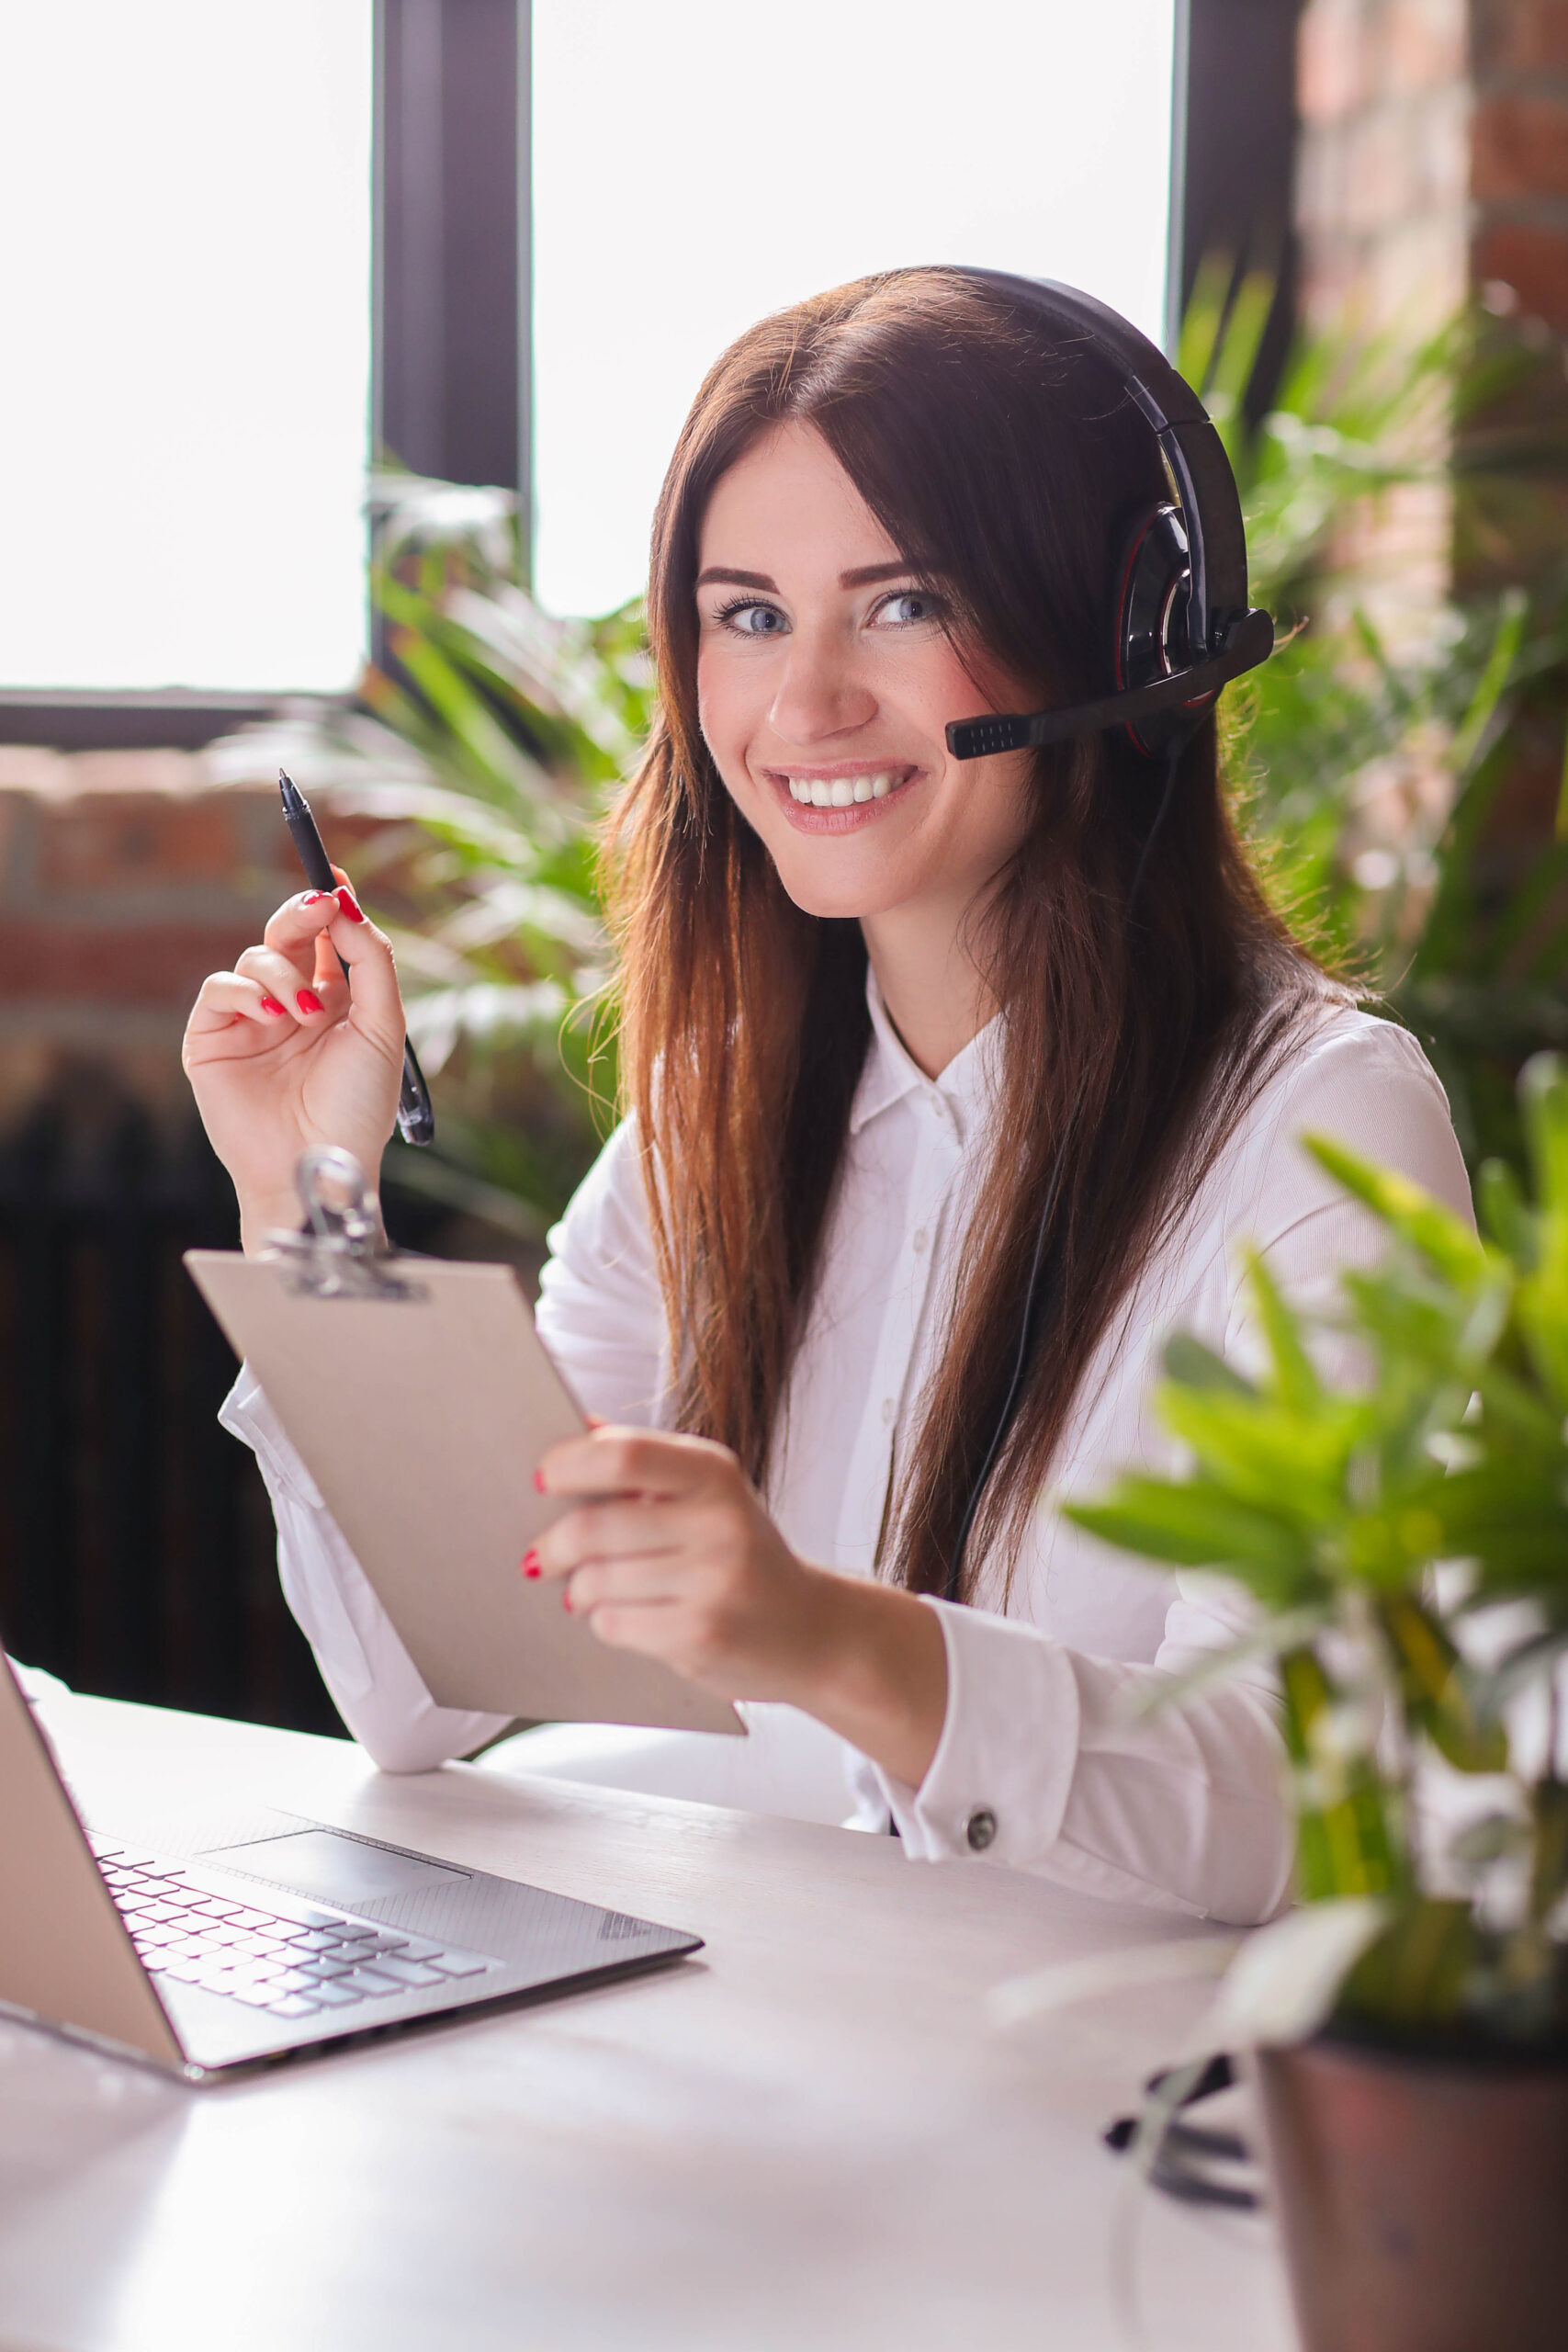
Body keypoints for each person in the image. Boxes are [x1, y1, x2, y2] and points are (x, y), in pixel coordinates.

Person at [183, 269, 1472, 1926]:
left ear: (1129, 636)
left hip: (1090, 2116)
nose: (805, 706)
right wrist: (315, 1212)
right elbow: (430, 1684)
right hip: (766, 2056)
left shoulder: (1317, 1131)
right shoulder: (719, 1105)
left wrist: (827, 1638)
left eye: (905, 602)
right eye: (749, 614)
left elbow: (1304, 1808)